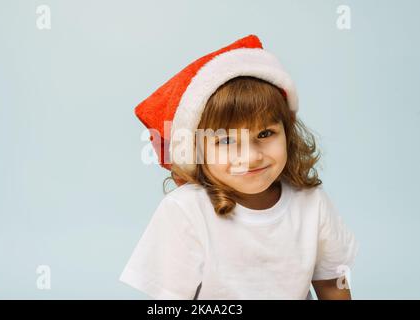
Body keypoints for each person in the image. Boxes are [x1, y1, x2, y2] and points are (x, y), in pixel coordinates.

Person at [119, 34, 359, 300]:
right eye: (227, 140)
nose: (251, 157)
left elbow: (332, 284)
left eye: (265, 134)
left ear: (288, 134)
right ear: (198, 149)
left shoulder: (311, 203)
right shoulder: (186, 211)